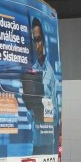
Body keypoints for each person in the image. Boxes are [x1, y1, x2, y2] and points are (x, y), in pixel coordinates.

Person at [30, 17, 58, 153]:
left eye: (39, 39)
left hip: (47, 139)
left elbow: (55, 109)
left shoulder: (50, 71)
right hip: (36, 140)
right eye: (35, 40)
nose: (38, 45)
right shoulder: (32, 70)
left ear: (44, 41)